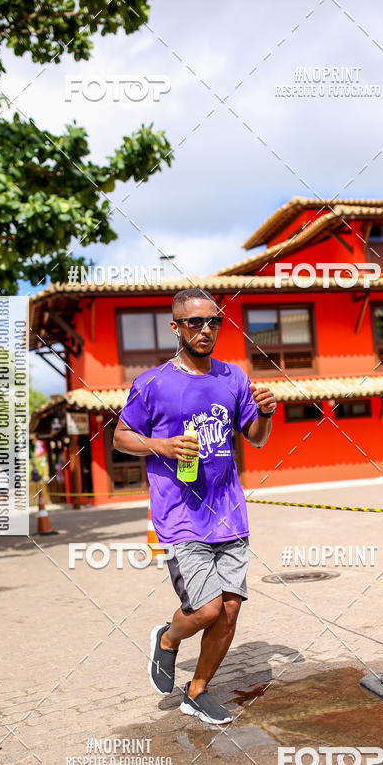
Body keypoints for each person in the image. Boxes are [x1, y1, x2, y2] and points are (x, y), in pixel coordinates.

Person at [114, 289, 276, 725]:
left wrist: (266, 413)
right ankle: (168, 640)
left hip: (230, 512)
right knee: (205, 610)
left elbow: (256, 437)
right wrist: (160, 445)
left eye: (214, 322)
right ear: (176, 327)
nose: (206, 330)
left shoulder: (233, 378)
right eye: (195, 323)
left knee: (230, 609)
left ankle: (197, 690)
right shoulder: (153, 382)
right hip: (180, 514)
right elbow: (120, 437)